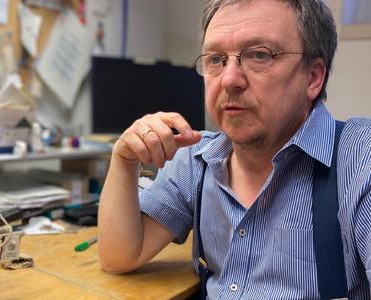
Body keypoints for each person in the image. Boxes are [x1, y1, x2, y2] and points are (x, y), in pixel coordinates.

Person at [98, 0, 371, 298]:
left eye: (259, 55)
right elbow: (120, 255)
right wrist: (124, 161)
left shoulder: (358, 160)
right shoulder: (197, 159)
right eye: (215, 59)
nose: (229, 79)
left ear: (313, 77)